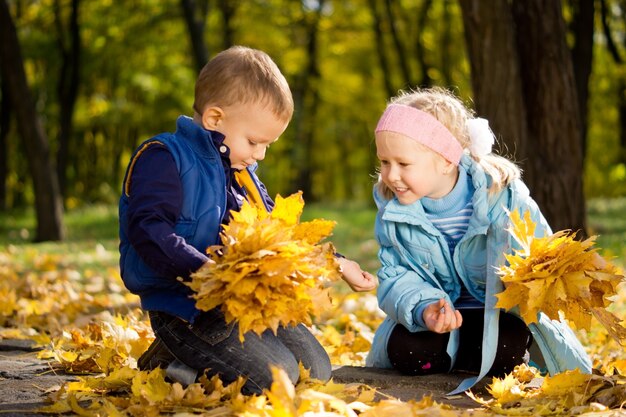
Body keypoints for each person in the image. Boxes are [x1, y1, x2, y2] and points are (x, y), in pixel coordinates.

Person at [118, 45, 376, 395]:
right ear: (214, 119)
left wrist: (336, 262)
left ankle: (191, 358)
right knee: (277, 378)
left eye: (268, 145)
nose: (260, 154)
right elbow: (150, 231)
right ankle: (171, 361)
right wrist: (209, 272)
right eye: (254, 142)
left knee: (315, 369)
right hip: (182, 308)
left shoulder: (244, 174)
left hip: (239, 303)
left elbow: (278, 238)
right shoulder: (163, 158)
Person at [365, 87, 591, 394]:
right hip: (440, 324)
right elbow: (396, 274)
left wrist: (524, 279)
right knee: (406, 350)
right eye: (384, 162)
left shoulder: (502, 196)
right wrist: (424, 308)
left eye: (403, 164)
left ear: (446, 161)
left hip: (497, 317)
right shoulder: (393, 212)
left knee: (505, 346)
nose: (391, 175)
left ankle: (478, 357)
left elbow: (543, 253)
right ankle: (454, 354)